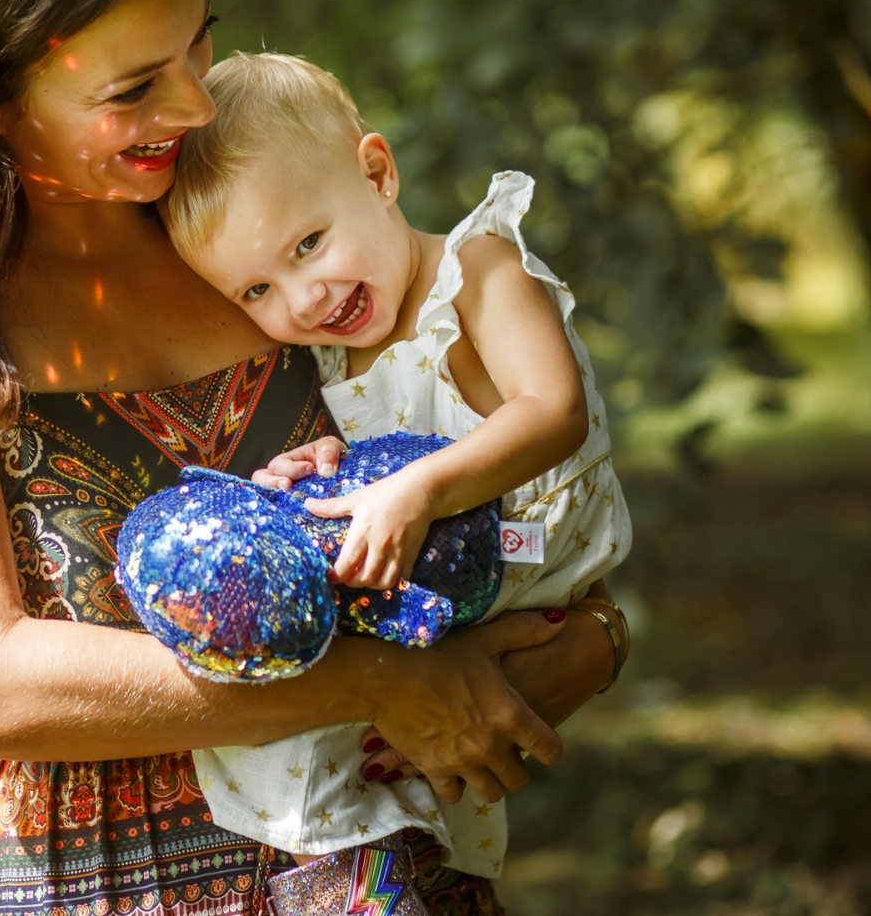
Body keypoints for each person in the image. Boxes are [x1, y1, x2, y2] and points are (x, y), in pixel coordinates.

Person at [0, 0, 627, 915]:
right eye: (133, 86)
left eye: (198, 42)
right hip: (97, 881)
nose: (192, 107)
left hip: (380, 868)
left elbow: (496, 456)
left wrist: (591, 638)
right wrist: (377, 683)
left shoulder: (242, 210)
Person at [153, 53, 633, 901]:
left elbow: (551, 411)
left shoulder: (478, 270)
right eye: (258, 287)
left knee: (340, 702)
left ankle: (360, 872)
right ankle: (357, 873)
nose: (304, 297)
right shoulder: (332, 352)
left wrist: (414, 490)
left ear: (376, 172)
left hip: (524, 555)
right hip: (443, 594)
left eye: (309, 243)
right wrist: (322, 468)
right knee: (321, 699)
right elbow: (383, 464)